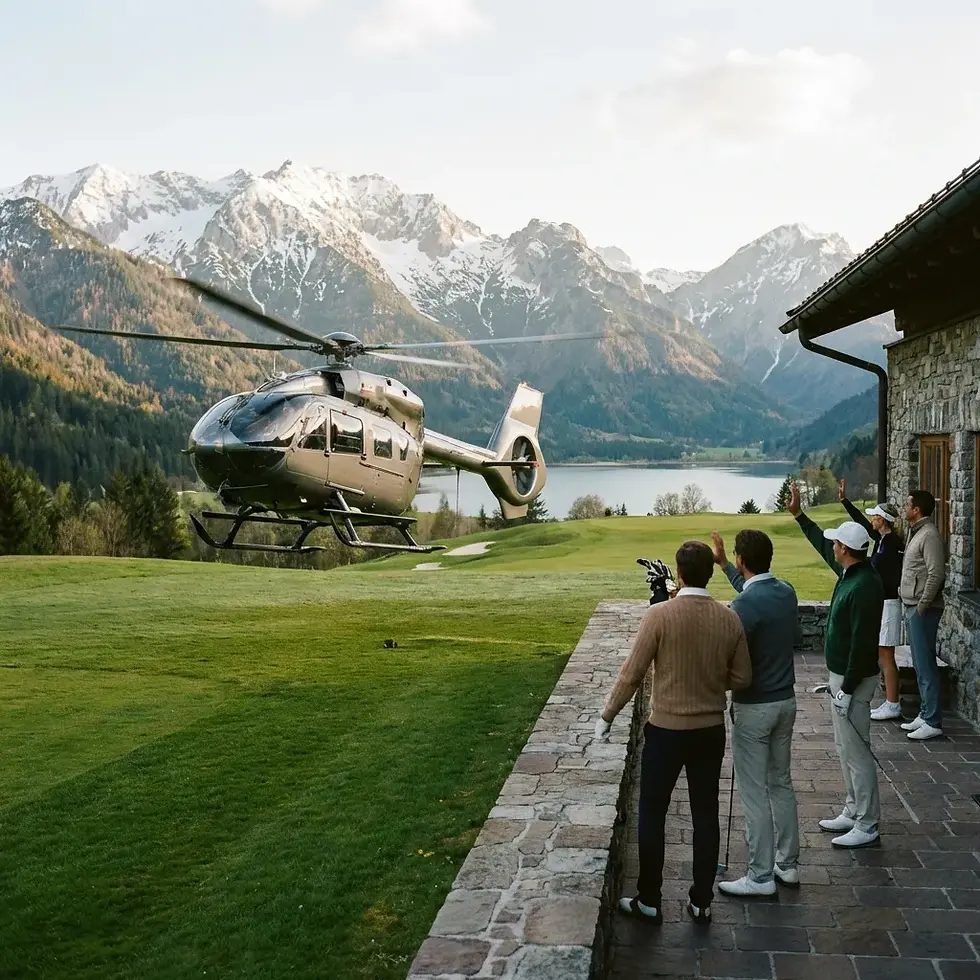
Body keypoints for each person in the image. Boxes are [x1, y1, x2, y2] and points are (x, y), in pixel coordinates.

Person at [594, 541, 752, 924]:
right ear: (711, 573)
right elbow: (744, 676)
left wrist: (607, 715)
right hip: (709, 731)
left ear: (678, 575)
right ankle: (701, 900)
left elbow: (632, 672)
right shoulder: (729, 618)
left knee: (652, 812)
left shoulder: (660, 616)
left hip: (665, 730)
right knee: (705, 814)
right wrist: (713, 684)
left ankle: (649, 898)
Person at [788, 483, 883, 848]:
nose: (832, 546)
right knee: (845, 749)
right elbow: (817, 541)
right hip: (844, 677)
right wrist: (799, 515)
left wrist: (846, 687)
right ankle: (852, 809)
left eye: (835, 543)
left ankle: (868, 822)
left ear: (846, 549)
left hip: (853, 680)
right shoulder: (851, 572)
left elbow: (862, 646)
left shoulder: (864, 586)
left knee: (857, 752)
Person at [710, 529, 801, 897]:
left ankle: (760, 876)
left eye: (734, 557)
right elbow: (751, 591)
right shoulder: (786, 592)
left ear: (742, 560)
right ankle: (788, 865)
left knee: (753, 792)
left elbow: (734, 627)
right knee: (781, 782)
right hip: (786, 703)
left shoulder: (744, 606)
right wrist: (724, 567)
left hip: (755, 708)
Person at [837, 480, 905, 721]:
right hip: (885, 602)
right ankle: (890, 700)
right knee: (882, 653)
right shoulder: (885, 540)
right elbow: (861, 522)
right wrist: (845, 501)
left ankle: (893, 703)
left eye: (875, 517)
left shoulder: (890, 544)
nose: (872, 520)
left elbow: (877, 568)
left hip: (889, 603)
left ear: (882, 520)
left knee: (886, 655)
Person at [899, 489, 946, 741]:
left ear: (917, 509)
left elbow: (936, 573)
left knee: (926, 664)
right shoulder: (915, 532)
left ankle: (932, 720)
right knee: (919, 663)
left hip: (922, 609)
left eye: (907, 504)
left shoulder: (929, 536)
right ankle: (925, 713)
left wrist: (921, 606)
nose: (904, 507)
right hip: (913, 606)